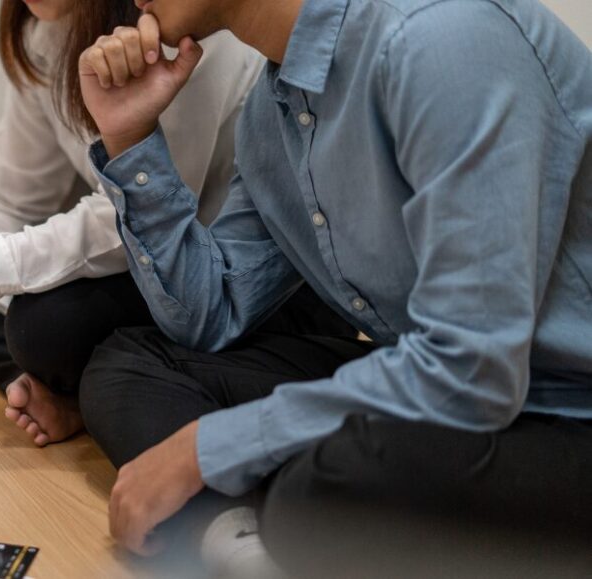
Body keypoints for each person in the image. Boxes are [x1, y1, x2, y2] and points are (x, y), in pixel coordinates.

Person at [75, 0, 592, 576]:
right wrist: (131, 137)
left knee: (324, 488)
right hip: (463, 402)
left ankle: (265, 528)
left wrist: (208, 448)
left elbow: (472, 370)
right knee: (131, 364)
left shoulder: (441, 37)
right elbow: (210, 314)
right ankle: (247, 546)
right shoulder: (273, 112)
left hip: (566, 412)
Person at [0, 1, 354, 446]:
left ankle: (79, 386)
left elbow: (131, 226)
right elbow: (11, 193)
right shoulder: (45, 36)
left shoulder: (186, 36)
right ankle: (71, 385)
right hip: (169, 273)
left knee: (41, 326)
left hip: (227, 277)